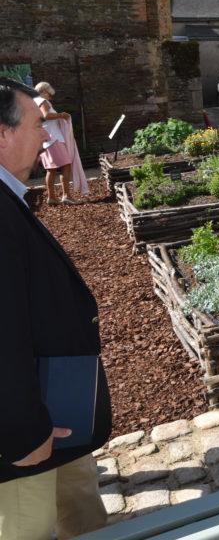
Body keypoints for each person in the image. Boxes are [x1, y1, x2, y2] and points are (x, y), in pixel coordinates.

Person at [0, 77, 112, 539]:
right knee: (29, 526)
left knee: (82, 513)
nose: (46, 137)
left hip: (55, 409)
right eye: (36, 126)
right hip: (24, 437)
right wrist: (23, 433)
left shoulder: (9, 195)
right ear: (2, 134)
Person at [34, 82, 86, 205]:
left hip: (45, 140)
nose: (51, 98)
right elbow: (47, 115)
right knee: (65, 166)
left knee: (51, 169)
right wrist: (61, 115)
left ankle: (52, 197)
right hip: (53, 139)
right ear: (44, 92)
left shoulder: (33, 102)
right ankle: (66, 196)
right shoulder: (42, 101)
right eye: (50, 94)